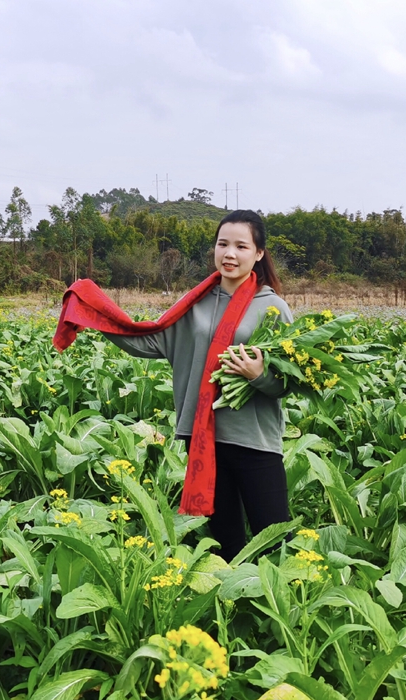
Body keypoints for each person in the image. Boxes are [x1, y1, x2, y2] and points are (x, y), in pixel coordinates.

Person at [55, 210, 293, 560]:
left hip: (254, 438)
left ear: (258, 253)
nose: (229, 253)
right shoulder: (196, 303)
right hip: (206, 439)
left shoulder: (272, 308)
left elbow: (288, 382)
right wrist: (93, 314)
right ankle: (232, 606)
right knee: (225, 543)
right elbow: (150, 340)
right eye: (222, 244)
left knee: (273, 539)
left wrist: (259, 375)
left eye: (241, 246)